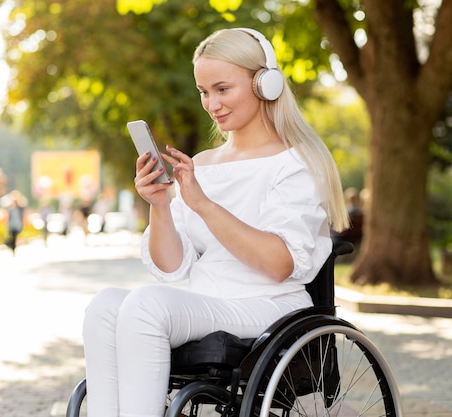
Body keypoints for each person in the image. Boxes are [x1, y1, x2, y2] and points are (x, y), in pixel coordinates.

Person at [82, 28, 350, 417]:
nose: (212, 104)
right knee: (104, 306)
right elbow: (172, 268)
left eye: (223, 89)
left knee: (145, 305)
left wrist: (204, 205)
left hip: (267, 304)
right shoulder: (203, 165)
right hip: (208, 300)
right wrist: (159, 205)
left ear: (265, 83)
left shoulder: (295, 164)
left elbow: (279, 264)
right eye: (204, 92)